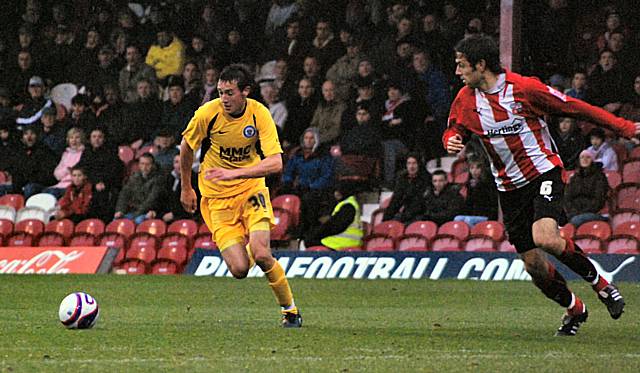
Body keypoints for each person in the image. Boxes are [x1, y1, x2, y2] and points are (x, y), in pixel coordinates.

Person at [445, 35, 637, 336]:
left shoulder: (524, 89)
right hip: (508, 189)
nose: (458, 72)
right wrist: (451, 140)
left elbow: (575, 107)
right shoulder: (466, 99)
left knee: (545, 237)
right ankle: (574, 308)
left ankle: (601, 285)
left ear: (481, 65)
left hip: (542, 173)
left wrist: (624, 127)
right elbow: (456, 127)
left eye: (462, 65)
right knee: (534, 266)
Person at [179, 64, 302, 328]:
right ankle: (250, 253)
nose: (223, 99)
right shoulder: (207, 114)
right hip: (216, 199)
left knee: (262, 253)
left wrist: (234, 174)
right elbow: (186, 147)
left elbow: (276, 163)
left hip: (250, 191)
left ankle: (290, 311)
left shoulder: (259, 114)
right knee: (239, 270)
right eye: (221, 92)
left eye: (230, 93)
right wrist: (186, 187)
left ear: (246, 91)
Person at [304, 181, 363, 250]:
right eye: (335, 191)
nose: (336, 194)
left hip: (343, 243)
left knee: (310, 240)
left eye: (339, 191)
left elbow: (335, 226)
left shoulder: (348, 206)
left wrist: (317, 233)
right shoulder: (347, 203)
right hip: (344, 241)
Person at [114, 153, 164, 224]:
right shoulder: (134, 177)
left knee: (138, 221)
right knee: (115, 221)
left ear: (153, 165)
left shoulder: (158, 179)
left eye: (147, 164)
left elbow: (150, 201)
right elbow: (124, 195)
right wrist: (120, 211)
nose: (144, 167)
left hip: (146, 212)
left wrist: (135, 215)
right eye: (142, 164)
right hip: (131, 211)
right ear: (139, 165)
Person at [565, 149, 609, 228]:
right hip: (574, 213)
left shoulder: (599, 177)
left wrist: (581, 212)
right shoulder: (574, 177)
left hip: (594, 212)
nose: (584, 159)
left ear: (592, 160)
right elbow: (567, 197)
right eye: (582, 157)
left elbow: (599, 200)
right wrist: (573, 212)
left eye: (588, 157)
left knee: (575, 221)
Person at [382, 153, 429, 224]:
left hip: (421, 214)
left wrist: (404, 216)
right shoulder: (402, 179)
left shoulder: (426, 179)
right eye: (409, 163)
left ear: (419, 164)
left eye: (414, 163)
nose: (411, 166)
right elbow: (396, 200)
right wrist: (385, 219)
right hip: (406, 214)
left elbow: (420, 202)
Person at [453, 159, 499, 227]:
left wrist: (478, 186)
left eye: (477, 168)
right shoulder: (470, 185)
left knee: (468, 220)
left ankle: (474, 236)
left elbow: (492, 204)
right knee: (457, 218)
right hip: (473, 215)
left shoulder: (488, 184)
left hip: (486, 216)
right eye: (472, 168)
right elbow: (469, 204)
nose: (474, 171)